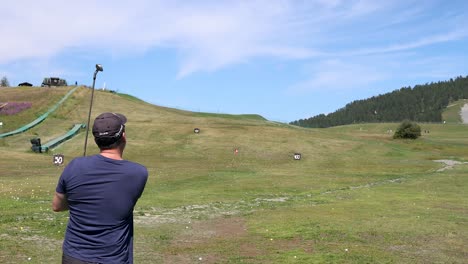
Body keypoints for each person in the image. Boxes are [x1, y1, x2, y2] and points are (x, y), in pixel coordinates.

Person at [52, 112, 148, 264]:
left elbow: (57, 206)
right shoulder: (139, 173)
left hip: (74, 257)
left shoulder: (74, 166)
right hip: (114, 258)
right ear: (123, 136)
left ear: (96, 139)